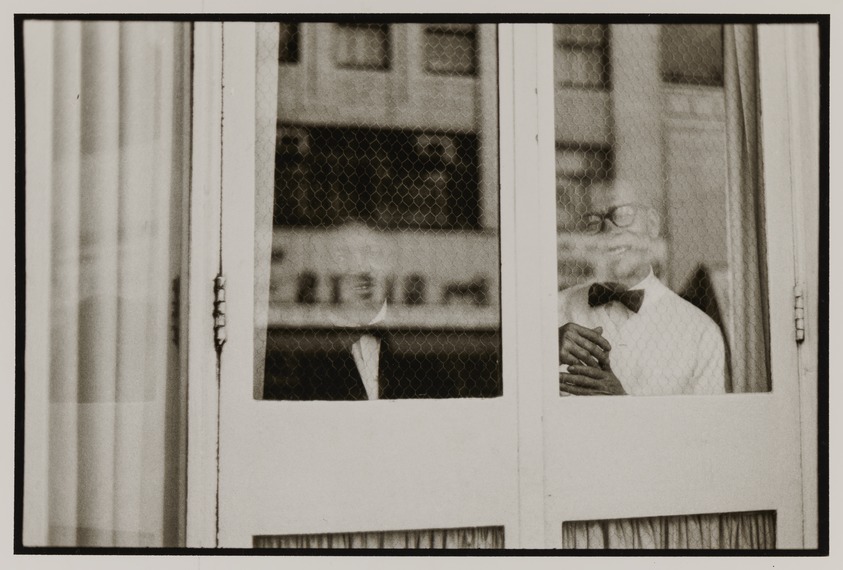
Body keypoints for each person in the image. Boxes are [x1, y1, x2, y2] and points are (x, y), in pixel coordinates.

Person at [263, 219, 500, 400]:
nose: (359, 264)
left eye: (369, 254)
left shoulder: (419, 374)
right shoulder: (327, 376)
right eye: (347, 254)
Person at [558, 180, 728, 396]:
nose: (608, 229)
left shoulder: (701, 333)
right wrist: (542, 351)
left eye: (623, 214)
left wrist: (626, 406)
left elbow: (705, 428)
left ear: (652, 224)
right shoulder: (554, 310)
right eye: (593, 221)